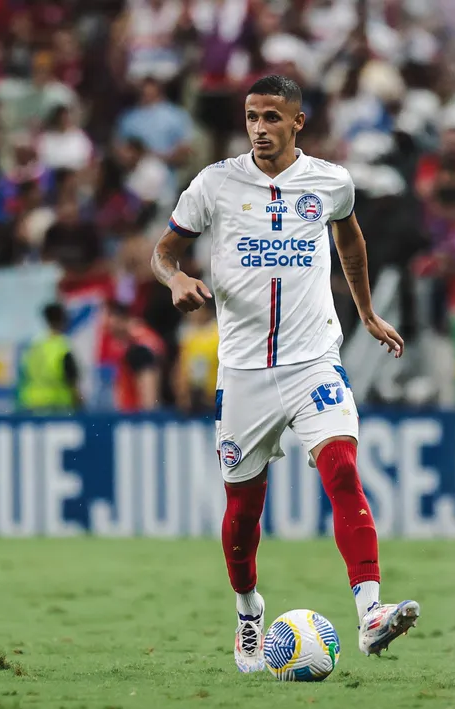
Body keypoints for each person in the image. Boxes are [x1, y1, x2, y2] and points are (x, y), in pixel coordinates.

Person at [150, 74, 418, 673]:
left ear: (298, 122)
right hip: (243, 371)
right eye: (252, 117)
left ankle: (371, 614)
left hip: (313, 360)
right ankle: (249, 610)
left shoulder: (330, 182)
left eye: (272, 117)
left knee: (343, 470)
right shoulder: (215, 184)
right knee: (244, 511)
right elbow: (162, 252)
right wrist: (176, 280)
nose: (260, 129)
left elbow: (350, 240)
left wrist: (366, 312)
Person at [18, 302, 82, 413]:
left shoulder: (34, 345)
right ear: (63, 320)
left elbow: (24, 373)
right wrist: (80, 403)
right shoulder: (62, 347)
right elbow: (71, 380)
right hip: (56, 407)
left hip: (31, 404)